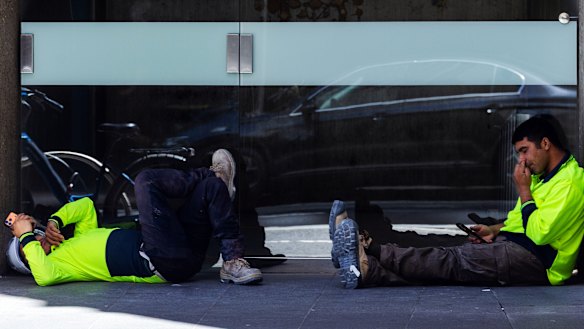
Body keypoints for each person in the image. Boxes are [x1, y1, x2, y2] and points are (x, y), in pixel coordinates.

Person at [329, 115, 584, 288]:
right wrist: (494, 230)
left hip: (535, 259)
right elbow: (523, 220)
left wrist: (524, 191)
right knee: (442, 248)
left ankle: (368, 250)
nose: (521, 161)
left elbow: (540, 234)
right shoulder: (545, 177)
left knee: (451, 260)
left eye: (524, 151)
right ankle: (364, 266)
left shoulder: (571, 182)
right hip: (515, 245)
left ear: (546, 144)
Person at [5, 149, 263, 286]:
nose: (35, 242)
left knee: (210, 191)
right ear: (28, 261)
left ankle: (232, 262)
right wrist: (23, 234)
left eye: (33, 239)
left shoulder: (78, 238)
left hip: (182, 249)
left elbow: (84, 206)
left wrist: (55, 221)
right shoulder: (59, 267)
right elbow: (43, 275)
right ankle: (210, 176)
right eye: (28, 249)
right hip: (160, 261)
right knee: (145, 180)